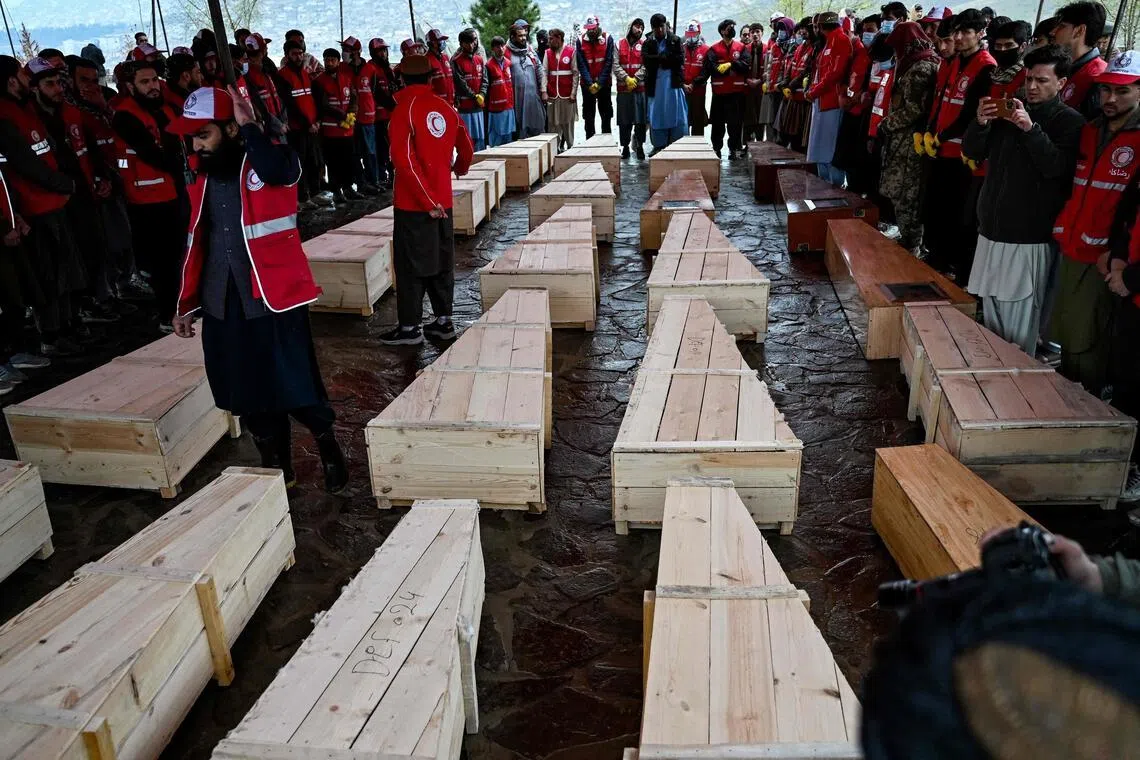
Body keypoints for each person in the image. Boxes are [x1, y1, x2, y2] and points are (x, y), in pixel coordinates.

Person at [167, 86, 347, 493]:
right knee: (245, 391)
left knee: (295, 383)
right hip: (223, 302)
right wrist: (186, 306)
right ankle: (277, 463)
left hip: (273, 297)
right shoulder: (201, 176)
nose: (196, 145)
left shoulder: (269, 161)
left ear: (231, 128)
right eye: (192, 137)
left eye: (204, 134)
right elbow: (198, 242)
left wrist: (251, 127)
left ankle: (326, 443)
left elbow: (286, 172)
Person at [961, 44, 1084, 355]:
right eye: (1029, 78)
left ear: (1062, 83)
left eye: (1042, 80)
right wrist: (980, 122)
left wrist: (1031, 130)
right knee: (990, 321)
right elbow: (974, 152)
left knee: (1018, 326)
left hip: (1028, 239)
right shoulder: (1008, 109)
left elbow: (1057, 169)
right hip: (991, 231)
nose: (1031, 86)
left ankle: (1015, 390)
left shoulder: (1068, 122)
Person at [1052, 51, 1140, 396]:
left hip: (1109, 255)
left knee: (1092, 331)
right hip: (1074, 241)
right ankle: (1066, 391)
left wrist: (1115, 251)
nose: (1111, 99)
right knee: (1069, 325)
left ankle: (1088, 398)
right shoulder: (1089, 130)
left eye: (1123, 92)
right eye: (1106, 90)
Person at [381, 53, 474, 346]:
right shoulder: (445, 107)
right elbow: (467, 148)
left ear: (401, 78)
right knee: (441, 260)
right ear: (432, 78)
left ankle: (409, 328)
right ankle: (443, 321)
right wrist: (457, 169)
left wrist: (425, 200)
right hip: (443, 200)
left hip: (414, 204)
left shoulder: (403, 110)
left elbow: (403, 161)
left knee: (410, 265)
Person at [112, 60, 186, 332]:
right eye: (145, 82)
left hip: (171, 193)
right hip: (146, 201)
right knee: (162, 262)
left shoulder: (165, 109)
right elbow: (154, 154)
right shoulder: (125, 116)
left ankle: (183, 307)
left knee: (179, 254)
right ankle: (167, 315)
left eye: (155, 80)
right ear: (130, 87)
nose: (153, 86)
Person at [921, 8, 995, 279]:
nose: (960, 37)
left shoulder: (986, 66)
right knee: (937, 206)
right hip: (940, 147)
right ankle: (937, 256)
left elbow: (969, 113)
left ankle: (955, 266)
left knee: (957, 212)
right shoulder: (954, 62)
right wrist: (930, 131)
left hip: (962, 153)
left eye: (966, 32)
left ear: (980, 33)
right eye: (957, 32)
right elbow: (942, 99)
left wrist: (940, 136)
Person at [879, 22, 940, 253]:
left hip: (910, 143)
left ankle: (911, 244)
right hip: (901, 139)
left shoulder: (920, 67)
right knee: (899, 192)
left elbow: (915, 109)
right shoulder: (913, 63)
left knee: (906, 193)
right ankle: (907, 240)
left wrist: (887, 124)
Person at [1107, 166, 1140, 504]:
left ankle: (1135, 467)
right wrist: (1118, 260)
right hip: (1131, 294)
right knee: (1126, 378)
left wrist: (1130, 278)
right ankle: (1122, 457)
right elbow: (1127, 212)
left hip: (1133, 284)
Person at [805, 11, 854, 185]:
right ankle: (824, 181)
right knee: (820, 145)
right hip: (822, 100)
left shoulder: (840, 40)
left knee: (829, 147)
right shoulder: (829, 41)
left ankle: (834, 184)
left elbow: (835, 74)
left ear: (820, 26)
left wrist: (814, 91)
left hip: (831, 102)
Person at [277, 39, 326, 210]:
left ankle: (314, 192)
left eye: (300, 53)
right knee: (301, 163)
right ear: (287, 56)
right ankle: (302, 197)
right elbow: (290, 104)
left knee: (314, 161)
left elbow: (311, 99)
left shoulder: (305, 74)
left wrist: (317, 120)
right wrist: (307, 124)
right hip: (298, 129)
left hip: (312, 126)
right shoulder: (283, 76)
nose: (298, 57)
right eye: (294, 54)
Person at [313, 48, 359, 203]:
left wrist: (351, 114)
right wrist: (342, 115)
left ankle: (348, 188)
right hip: (330, 130)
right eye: (326, 60)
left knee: (349, 159)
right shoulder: (319, 82)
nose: (329, 62)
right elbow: (323, 106)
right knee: (333, 162)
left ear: (338, 61)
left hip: (347, 129)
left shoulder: (346, 78)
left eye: (332, 60)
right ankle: (336, 191)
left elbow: (353, 98)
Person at [701, 19, 751, 159]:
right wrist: (723, 69)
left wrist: (731, 64)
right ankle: (716, 149)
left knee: (735, 124)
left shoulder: (741, 48)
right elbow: (710, 68)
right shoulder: (714, 49)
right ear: (723, 31)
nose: (732, 29)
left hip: (736, 94)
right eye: (730, 27)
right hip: (719, 94)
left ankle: (733, 149)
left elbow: (746, 66)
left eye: (734, 27)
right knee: (717, 124)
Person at [1051, 1, 1108, 119]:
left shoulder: (1097, 77)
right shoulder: (1065, 67)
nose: (1053, 32)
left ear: (1079, 30)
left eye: (1061, 26)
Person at [341, 37, 380, 194]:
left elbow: (375, 90)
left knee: (370, 152)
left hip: (368, 117)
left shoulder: (370, 69)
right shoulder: (342, 69)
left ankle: (373, 181)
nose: (345, 53)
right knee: (354, 153)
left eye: (348, 50)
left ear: (357, 52)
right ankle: (360, 183)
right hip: (350, 118)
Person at [643, 13, 688, 151]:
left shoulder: (675, 40)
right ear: (652, 28)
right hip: (655, 86)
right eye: (657, 28)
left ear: (665, 25)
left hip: (673, 84)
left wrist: (661, 59)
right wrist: (664, 58)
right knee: (657, 116)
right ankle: (659, 146)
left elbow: (679, 59)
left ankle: (677, 145)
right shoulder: (648, 43)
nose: (660, 31)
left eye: (662, 27)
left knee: (677, 116)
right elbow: (647, 61)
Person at [774, 18, 815, 152]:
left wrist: (789, 86)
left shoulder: (814, 49)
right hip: (792, 98)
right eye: (800, 29)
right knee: (788, 137)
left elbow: (805, 71)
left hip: (803, 100)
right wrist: (783, 84)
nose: (802, 32)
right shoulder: (799, 48)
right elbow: (791, 69)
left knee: (800, 139)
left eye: (804, 29)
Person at [577, 14, 616, 138]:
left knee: (606, 114)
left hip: (604, 84)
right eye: (589, 28)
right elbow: (581, 64)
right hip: (587, 85)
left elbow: (608, 62)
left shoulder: (608, 38)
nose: (591, 31)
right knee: (588, 115)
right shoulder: (580, 40)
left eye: (593, 28)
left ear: (598, 26)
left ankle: (606, 141)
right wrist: (590, 84)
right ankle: (589, 140)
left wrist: (599, 83)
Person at [615, 18, 648, 159]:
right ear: (630, 28)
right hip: (624, 90)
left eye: (641, 27)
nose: (639, 30)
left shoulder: (644, 45)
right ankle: (625, 147)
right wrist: (626, 78)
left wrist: (635, 78)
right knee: (624, 121)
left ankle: (640, 146)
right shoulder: (619, 44)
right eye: (637, 26)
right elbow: (615, 65)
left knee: (640, 121)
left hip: (640, 90)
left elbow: (646, 65)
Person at [541, 28, 579, 151]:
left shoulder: (571, 52)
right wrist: (544, 91)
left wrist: (574, 93)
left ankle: (570, 147)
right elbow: (544, 72)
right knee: (553, 124)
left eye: (551, 39)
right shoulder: (547, 53)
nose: (549, 41)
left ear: (558, 38)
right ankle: (553, 151)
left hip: (567, 95)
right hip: (552, 94)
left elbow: (575, 73)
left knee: (568, 123)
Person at [508, 20, 545, 139]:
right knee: (519, 130)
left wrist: (543, 90)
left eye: (525, 35)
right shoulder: (506, 52)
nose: (523, 38)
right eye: (520, 36)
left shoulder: (530, 50)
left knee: (537, 126)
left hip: (533, 97)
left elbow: (540, 69)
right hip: (516, 98)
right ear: (513, 36)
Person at [453, 29, 488, 153]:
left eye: (473, 41)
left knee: (480, 139)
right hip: (465, 108)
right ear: (461, 44)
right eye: (468, 42)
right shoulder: (456, 61)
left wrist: (482, 94)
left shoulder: (479, 59)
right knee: (468, 140)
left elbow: (484, 79)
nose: (471, 45)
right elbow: (460, 83)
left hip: (478, 106)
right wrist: (474, 96)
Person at [244, 33, 286, 135]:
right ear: (262, 51)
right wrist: (278, 125)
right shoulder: (248, 75)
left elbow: (277, 97)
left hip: (278, 126)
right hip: (269, 130)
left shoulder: (264, 69)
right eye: (265, 47)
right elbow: (256, 104)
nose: (267, 49)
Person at [369, 38, 398, 187]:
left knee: (391, 147)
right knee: (380, 149)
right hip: (377, 117)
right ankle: (381, 176)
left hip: (390, 115)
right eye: (380, 50)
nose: (383, 53)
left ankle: (392, 174)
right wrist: (391, 104)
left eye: (384, 50)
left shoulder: (388, 69)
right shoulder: (371, 69)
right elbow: (376, 93)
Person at [486, 36, 517, 147]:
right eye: (497, 46)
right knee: (496, 140)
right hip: (496, 109)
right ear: (493, 49)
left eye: (502, 46)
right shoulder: (489, 66)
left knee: (508, 139)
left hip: (509, 107)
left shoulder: (508, 63)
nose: (500, 48)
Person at [682, 21, 710, 136]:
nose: (691, 37)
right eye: (689, 34)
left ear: (699, 33)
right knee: (683, 120)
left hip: (698, 91)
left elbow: (706, 72)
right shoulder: (681, 49)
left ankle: (698, 146)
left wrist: (694, 84)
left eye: (693, 34)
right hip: (683, 91)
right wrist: (683, 84)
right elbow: (676, 69)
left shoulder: (706, 50)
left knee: (698, 121)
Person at [426, 29, 456, 106]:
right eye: (439, 41)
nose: (442, 43)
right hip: (437, 104)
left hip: (450, 102)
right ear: (432, 43)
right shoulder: (426, 60)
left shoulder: (445, 57)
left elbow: (451, 79)